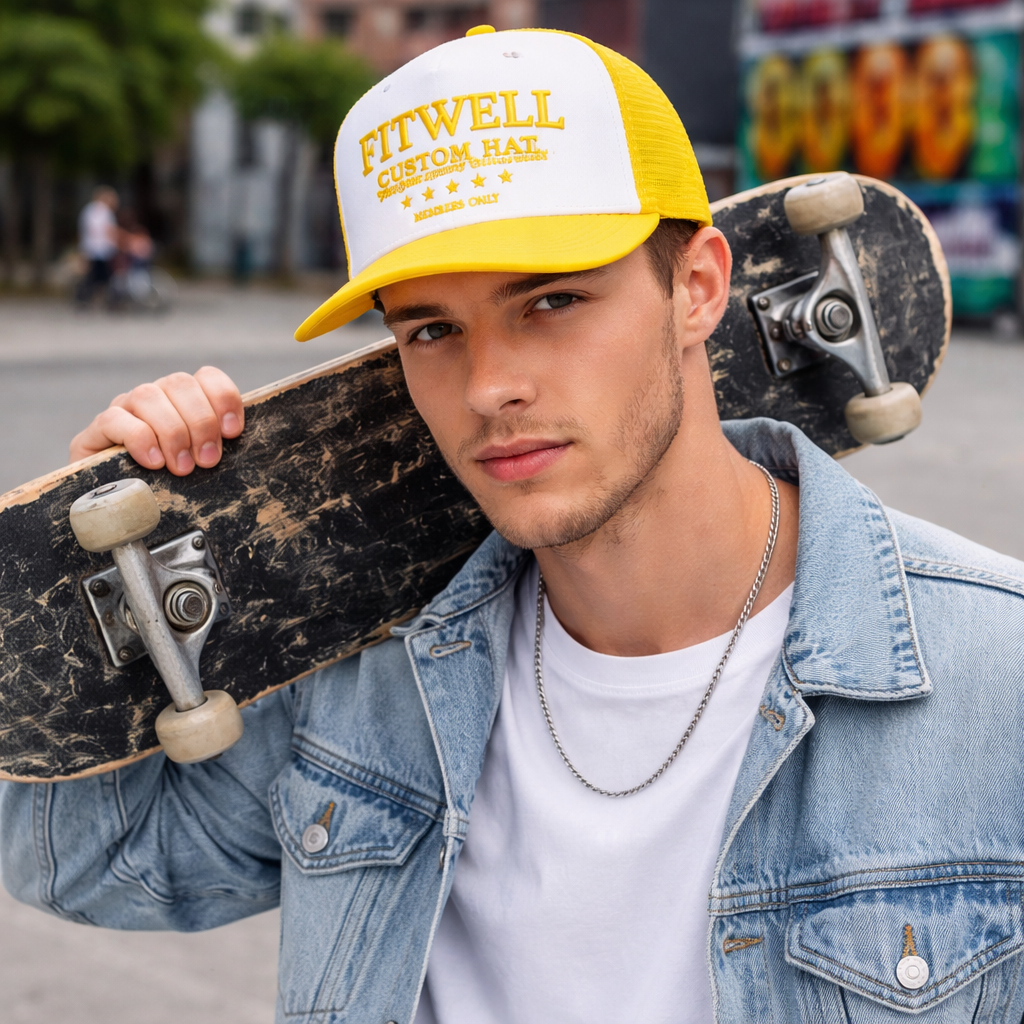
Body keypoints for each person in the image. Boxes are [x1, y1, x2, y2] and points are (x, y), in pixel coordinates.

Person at [5, 26, 1024, 1024]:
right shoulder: (362, 674)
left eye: (550, 301)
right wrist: (80, 606)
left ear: (699, 287)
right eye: (431, 330)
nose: (488, 387)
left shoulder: (995, 678)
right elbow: (84, 861)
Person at [74, 186, 120, 306]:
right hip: (101, 249)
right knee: (102, 277)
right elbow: (108, 231)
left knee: (92, 276)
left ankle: (87, 299)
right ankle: (101, 299)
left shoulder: (88, 210)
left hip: (89, 248)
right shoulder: (104, 212)